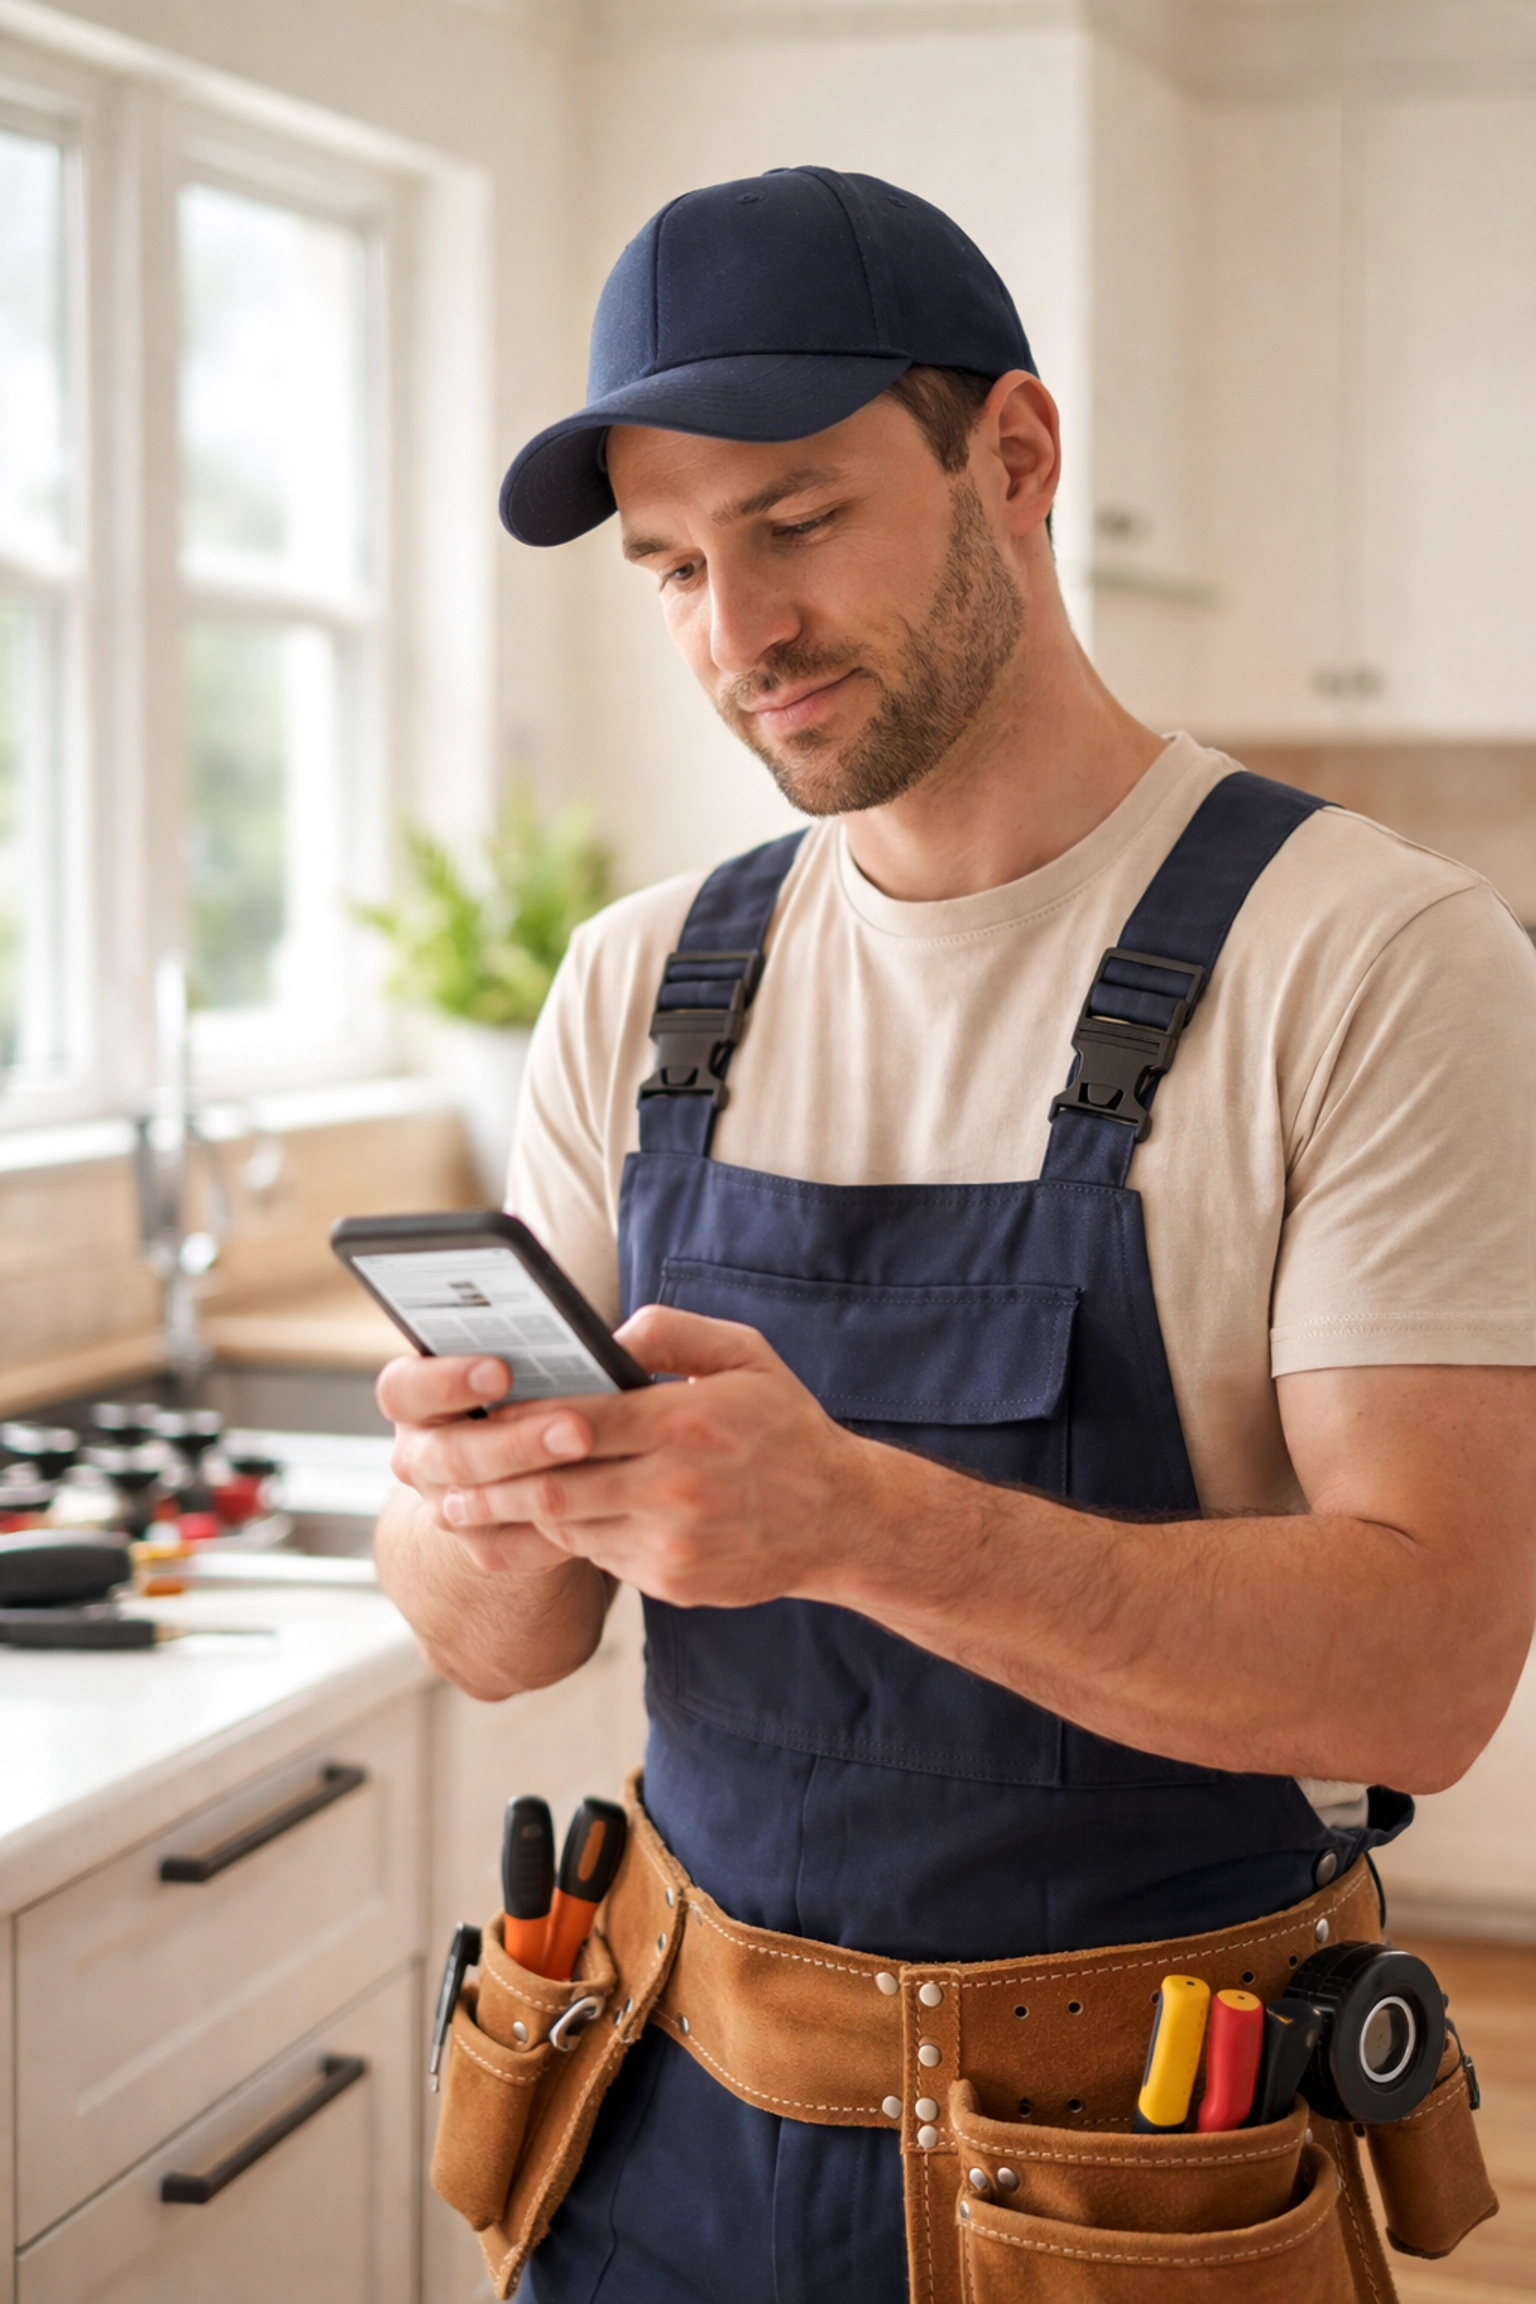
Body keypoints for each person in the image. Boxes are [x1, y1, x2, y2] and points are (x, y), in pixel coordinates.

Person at [377, 167, 1536, 2301]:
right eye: (672, 567)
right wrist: (477, 1505)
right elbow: (501, 1644)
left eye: (798, 523)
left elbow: (1438, 1666)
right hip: (660, 2139)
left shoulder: (1370, 959)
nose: (737, 634)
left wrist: (849, 1520)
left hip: (1143, 2195)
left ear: (1014, 455)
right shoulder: (636, 991)